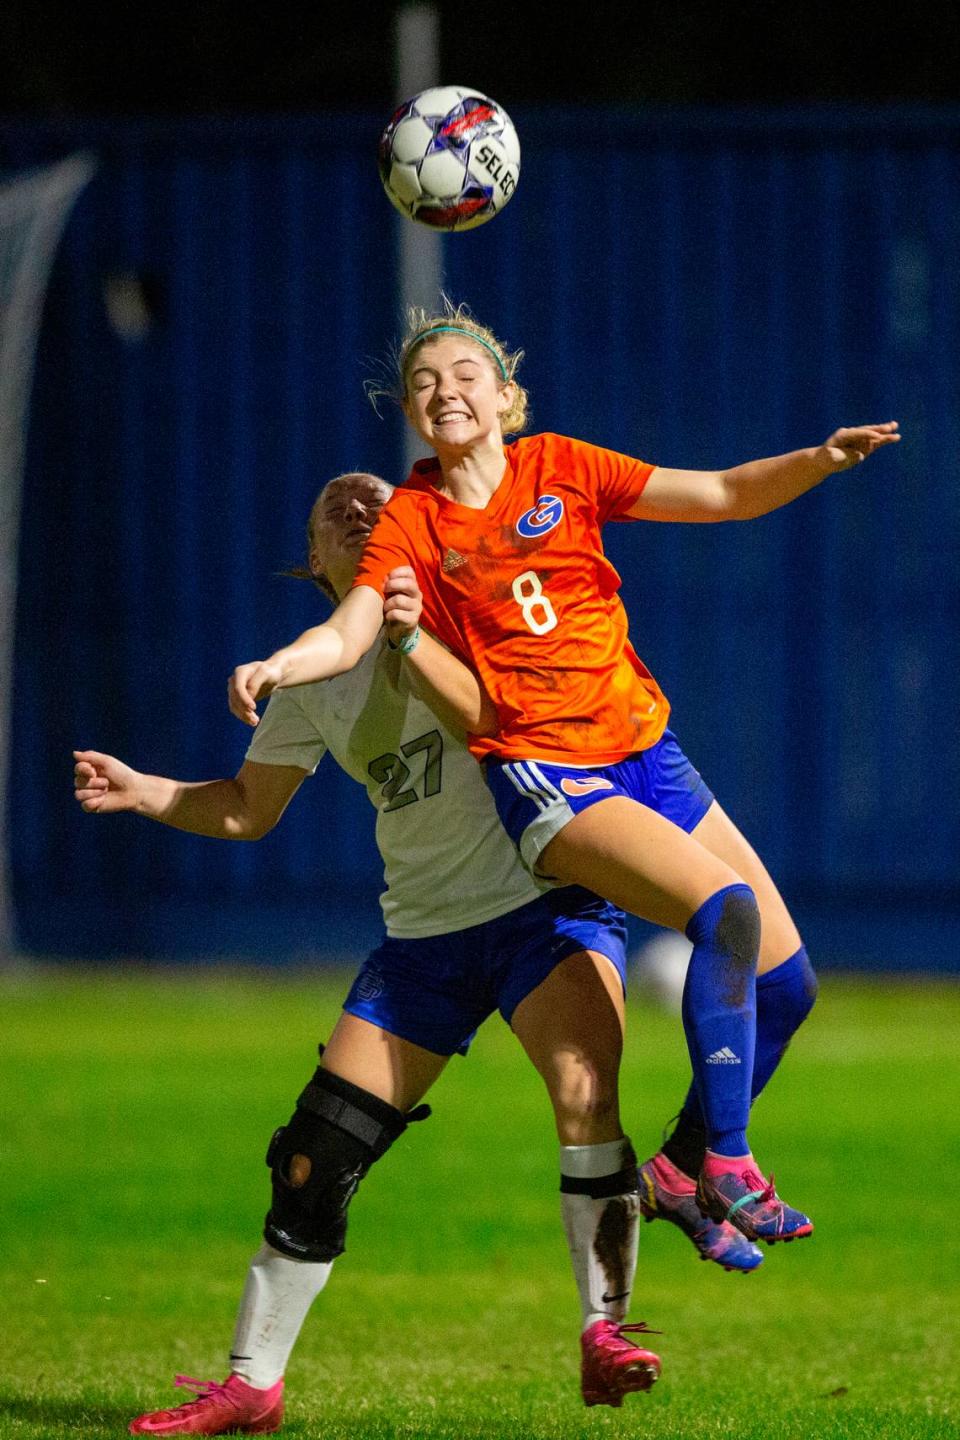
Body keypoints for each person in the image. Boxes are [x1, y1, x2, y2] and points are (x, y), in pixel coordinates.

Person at [228, 303, 901, 1275]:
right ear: (413, 415)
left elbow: (718, 494)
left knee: (788, 984)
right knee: (728, 914)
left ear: (506, 396)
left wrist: (819, 459)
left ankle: (676, 1172)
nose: (444, 390)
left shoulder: (562, 466)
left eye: (465, 373)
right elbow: (350, 629)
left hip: (648, 752)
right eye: (424, 382)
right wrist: (282, 662)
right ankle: (730, 1161)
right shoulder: (411, 518)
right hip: (554, 775)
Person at [75, 470, 681, 1434]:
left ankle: (606, 1330)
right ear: (312, 560)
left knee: (584, 1100)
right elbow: (246, 807)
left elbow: (527, 698)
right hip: (424, 940)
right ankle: (252, 1386)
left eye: (373, 502)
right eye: (332, 512)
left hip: (544, 907)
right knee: (314, 1158)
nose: (357, 511)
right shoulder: (309, 677)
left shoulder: (467, 604)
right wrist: (145, 789)